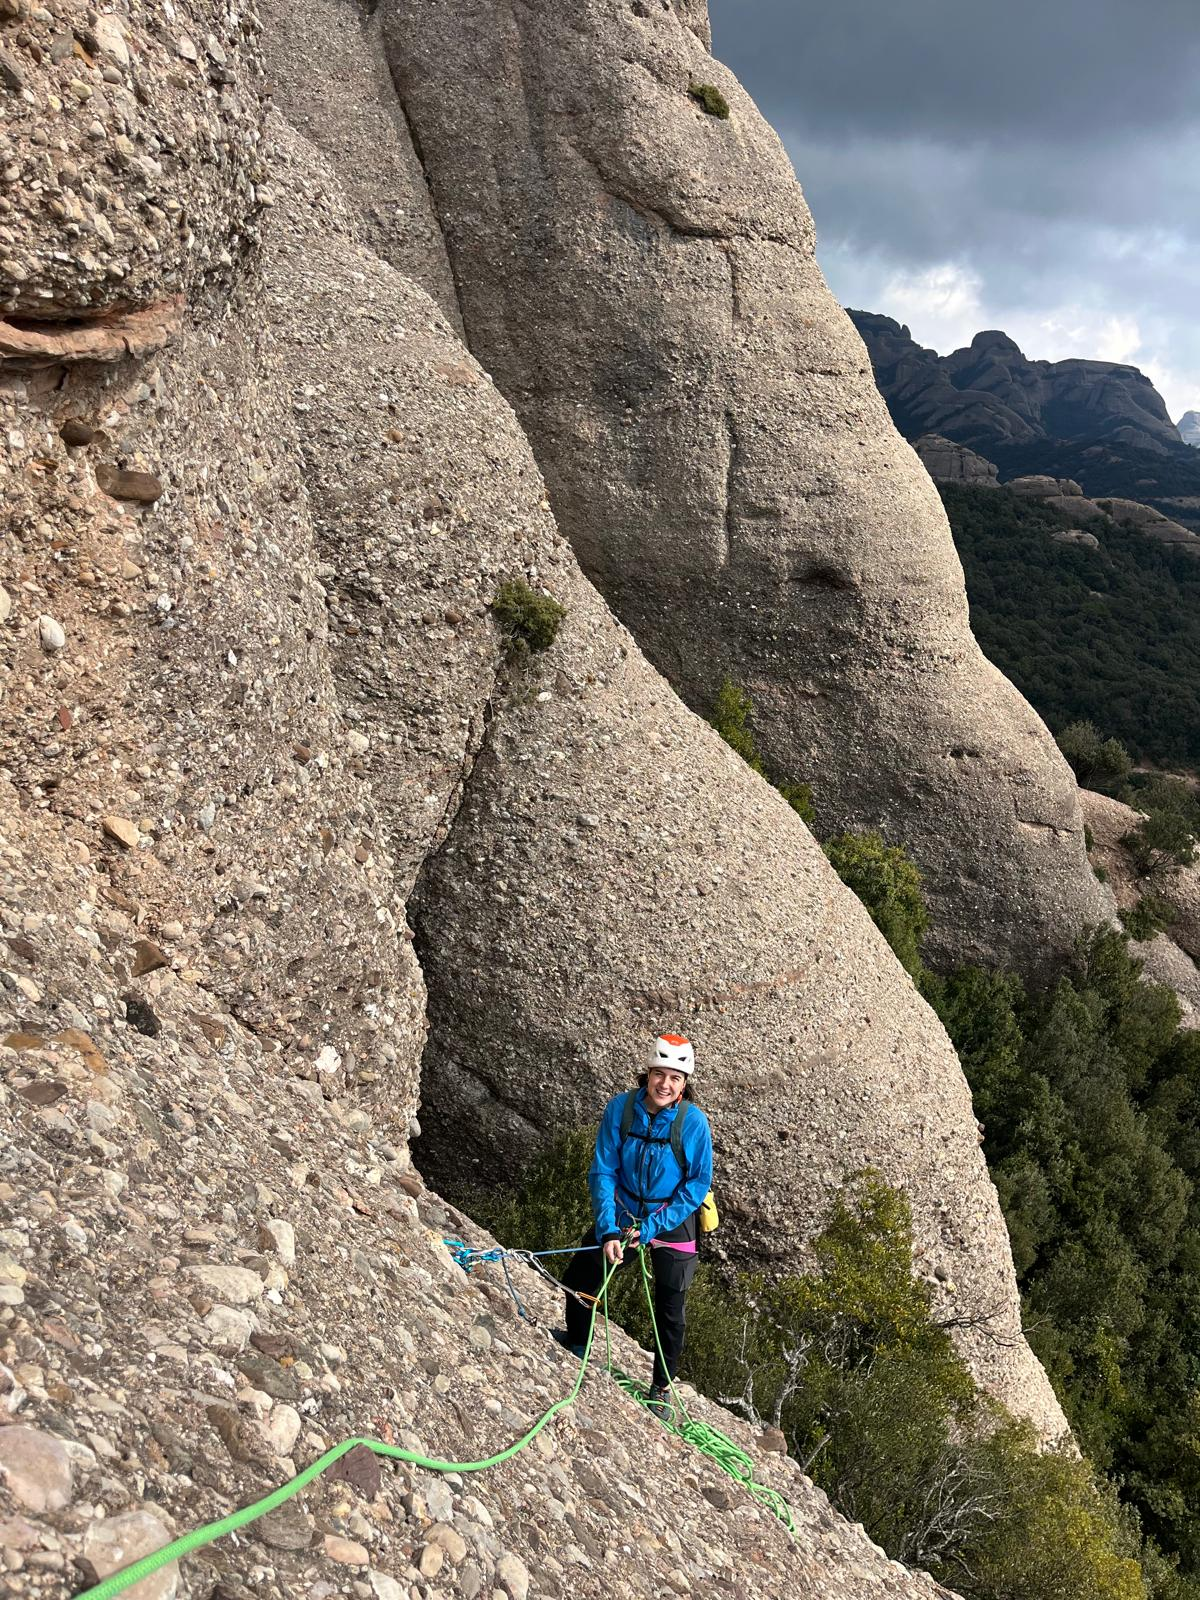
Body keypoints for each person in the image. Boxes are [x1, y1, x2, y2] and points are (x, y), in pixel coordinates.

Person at [554, 1033, 714, 1419]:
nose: (665, 1084)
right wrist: (608, 1229)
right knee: (581, 1277)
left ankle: (661, 1388)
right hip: (624, 1214)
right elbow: (603, 1171)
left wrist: (653, 1227)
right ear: (648, 1073)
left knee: (670, 1309)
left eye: (675, 1078)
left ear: (684, 1083)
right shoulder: (621, 1109)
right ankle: (578, 1344)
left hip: (672, 1221)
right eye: (659, 1074)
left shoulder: (693, 1123)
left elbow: (697, 1185)